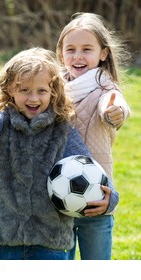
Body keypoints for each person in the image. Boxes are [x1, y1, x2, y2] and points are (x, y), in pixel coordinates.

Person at [0, 47, 119, 260]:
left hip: (50, 237)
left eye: (41, 91)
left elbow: (88, 166)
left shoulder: (62, 130)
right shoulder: (4, 125)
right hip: (8, 236)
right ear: (10, 90)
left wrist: (110, 196)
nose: (33, 98)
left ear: (53, 92)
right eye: (24, 91)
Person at [56, 12, 131, 260]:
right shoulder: (52, 90)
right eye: (71, 49)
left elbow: (113, 103)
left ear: (103, 53)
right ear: (61, 53)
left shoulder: (105, 88)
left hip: (97, 199)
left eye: (86, 49)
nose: (77, 56)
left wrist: (116, 112)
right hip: (58, 197)